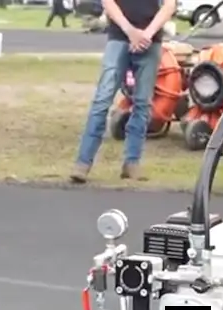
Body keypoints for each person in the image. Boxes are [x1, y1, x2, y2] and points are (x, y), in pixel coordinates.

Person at [69, 0, 175, 183]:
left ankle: (132, 163)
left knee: (142, 103)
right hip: (119, 38)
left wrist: (147, 34)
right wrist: (130, 31)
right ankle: (83, 162)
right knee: (102, 100)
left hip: (151, 41)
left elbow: (169, 5)